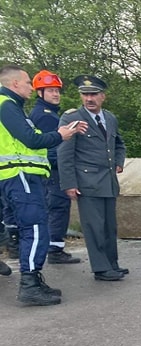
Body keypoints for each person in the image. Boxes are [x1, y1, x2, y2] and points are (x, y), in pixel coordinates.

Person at [0, 64, 87, 305]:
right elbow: (31, 139)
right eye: (28, 82)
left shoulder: (12, 107)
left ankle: (33, 280)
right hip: (20, 175)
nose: (31, 86)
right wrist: (61, 135)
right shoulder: (6, 105)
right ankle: (29, 285)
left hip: (19, 176)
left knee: (33, 227)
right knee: (36, 228)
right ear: (14, 83)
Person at [58, 74, 127, 281]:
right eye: (85, 94)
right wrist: (69, 183)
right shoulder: (71, 118)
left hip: (108, 181)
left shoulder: (110, 118)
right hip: (86, 182)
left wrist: (119, 161)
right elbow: (64, 152)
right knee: (94, 227)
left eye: (93, 94)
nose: (89, 99)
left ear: (102, 96)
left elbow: (119, 144)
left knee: (108, 226)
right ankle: (101, 268)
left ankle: (112, 263)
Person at [29, 70, 79, 264]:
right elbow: (52, 145)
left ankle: (54, 246)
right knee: (58, 206)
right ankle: (55, 250)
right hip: (54, 168)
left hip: (50, 167)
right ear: (40, 93)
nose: (56, 94)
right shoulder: (46, 116)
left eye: (57, 90)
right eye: (50, 90)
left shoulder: (45, 113)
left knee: (57, 206)